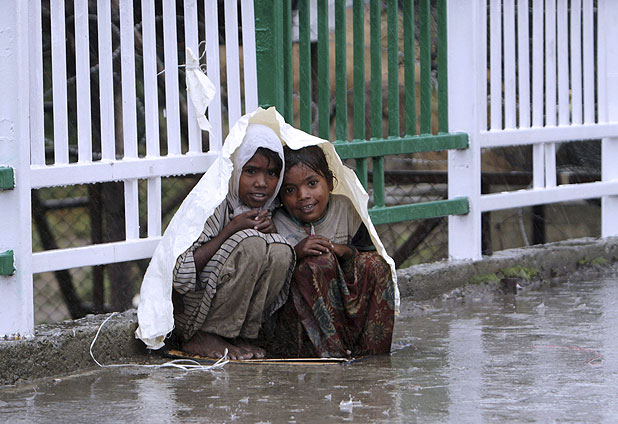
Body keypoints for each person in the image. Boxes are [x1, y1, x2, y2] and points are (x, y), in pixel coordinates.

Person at [171, 124, 295, 360]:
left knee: (280, 250)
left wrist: (271, 233)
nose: (262, 182)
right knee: (252, 244)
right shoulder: (212, 201)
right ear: (236, 169)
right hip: (192, 314)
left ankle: (240, 336)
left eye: (272, 173)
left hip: (231, 317)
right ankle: (205, 336)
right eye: (251, 171)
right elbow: (180, 274)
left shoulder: (270, 209)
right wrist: (231, 230)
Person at [272, 145, 395, 358]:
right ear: (280, 195)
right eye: (290, 190)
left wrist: (341, 251)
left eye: (312, 184)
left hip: (344, 306)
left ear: (329, 182)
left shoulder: (344, 208)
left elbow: (367, 254)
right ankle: (331, 353)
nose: (303, 196)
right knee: (317, 265)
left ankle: (371, 353)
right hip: (300, 320)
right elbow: (272, 281)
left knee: (376, 264)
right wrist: (296, 253)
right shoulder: (278, 221)